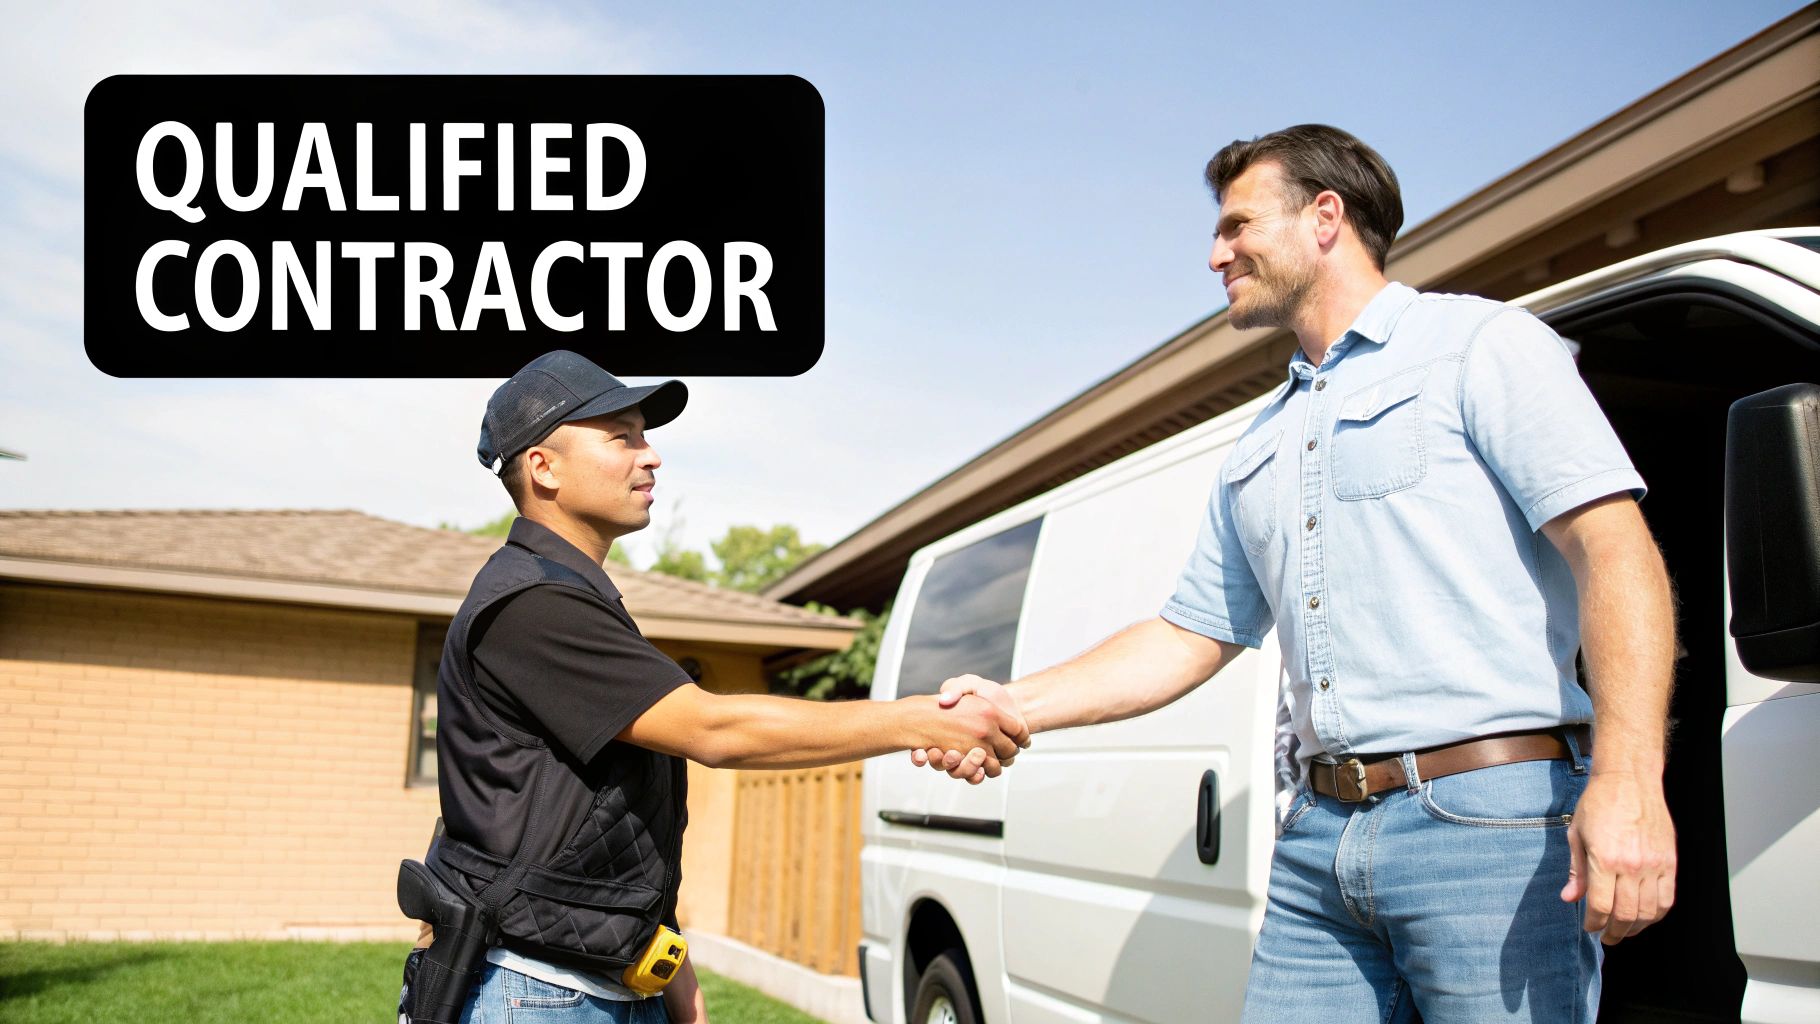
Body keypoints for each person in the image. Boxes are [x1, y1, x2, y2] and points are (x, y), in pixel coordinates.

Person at [915, 124, 1677, 1022]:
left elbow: (1614, 549)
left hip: (1489, 823)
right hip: (1319, 838)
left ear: (1326, 216)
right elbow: (1186, 636)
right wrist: (1013, 704)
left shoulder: (1480, 346)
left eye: (1237, 226)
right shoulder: (1260, 442)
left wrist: (1627, 780)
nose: (1215, 254)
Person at [425, 350, 1028, 1024]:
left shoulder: (569, 597)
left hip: (592, 985)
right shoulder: (532, 606)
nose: (650, 456)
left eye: (646, 437)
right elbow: (715, 731)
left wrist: (671, 964)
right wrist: (925, 719)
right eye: (621, 437)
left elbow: (594, 815)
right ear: (544, 468)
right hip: (543, 995)